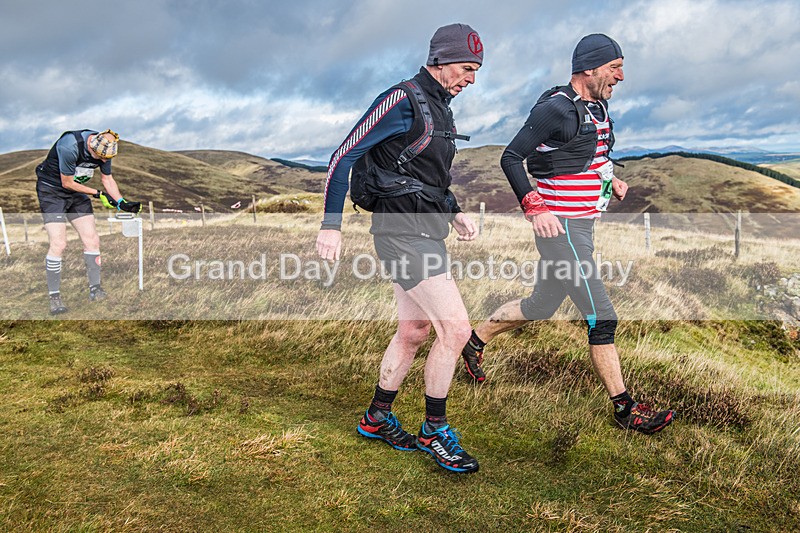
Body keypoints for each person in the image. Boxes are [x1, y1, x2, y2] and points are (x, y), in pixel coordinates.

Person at [461, 34, 674, 435]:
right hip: (562, 230)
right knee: (602, 318)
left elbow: (594, 156)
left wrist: (611, 182)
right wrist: (534, 206)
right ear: (590, 68)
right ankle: (625, 410)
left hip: (582, 227)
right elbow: (511, 157)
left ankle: (474, 342)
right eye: (615, 68)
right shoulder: (556, 109)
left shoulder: (597, 106)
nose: (621, 77)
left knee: (541, 305)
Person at [316, 24, 484, 472]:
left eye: (476, 71)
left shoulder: (440, 109)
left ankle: (376, 418)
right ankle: (434, 431)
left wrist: (455, 211)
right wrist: (331, 225)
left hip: (426, 231)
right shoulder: (401, 99)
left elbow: (427, 178)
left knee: (414, 331)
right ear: (441, 59)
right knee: (456, 330)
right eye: (466, 68)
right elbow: (342, 156)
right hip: (399, 233)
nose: (471, 79)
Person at [35, 129, 142, 315]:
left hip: (77, 192)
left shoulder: (106, 149)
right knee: (59, 243)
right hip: (52, 191)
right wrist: (98, 194)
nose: (103, 162)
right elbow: (67, 183)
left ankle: (95, 289)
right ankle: (54, 297)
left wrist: (121, 202)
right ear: (92, 147)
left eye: (106, 159)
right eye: (100, 158)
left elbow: (107, 179)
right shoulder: (69, 146)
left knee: (92, 239)